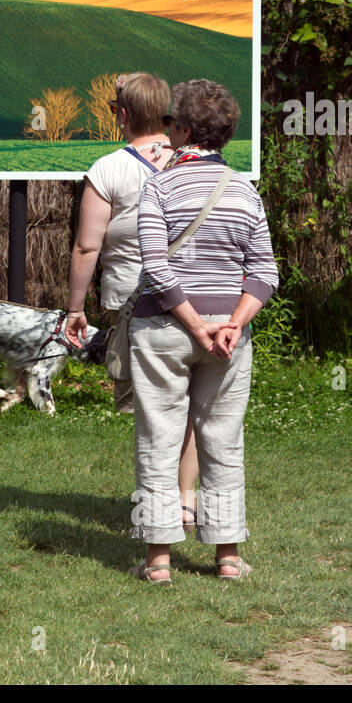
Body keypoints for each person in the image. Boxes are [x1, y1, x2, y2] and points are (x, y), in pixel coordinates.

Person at [126, 79, 278, 584]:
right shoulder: (245, 191)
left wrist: (193, 322)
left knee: (160, 437)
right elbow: (264, 272)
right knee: (223, 440)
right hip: (229, 337)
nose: (167, 131)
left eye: (170, 123)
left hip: (165, 328)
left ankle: (158, 561)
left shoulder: (158, 187)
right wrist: (232, 324)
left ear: (184, 129)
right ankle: (228, 558)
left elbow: (155, 267)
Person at [65, 72, 201, 533]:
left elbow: (86, 247)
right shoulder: (194, 161)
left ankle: (157, 510)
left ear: (122, 115)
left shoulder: (108, 169)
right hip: (196, 299)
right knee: (189, 407)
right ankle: (185, 503)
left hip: (136, 305)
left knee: (153, 411)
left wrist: (75, 309)